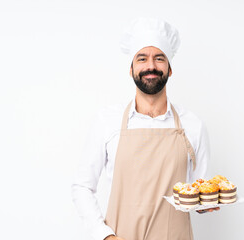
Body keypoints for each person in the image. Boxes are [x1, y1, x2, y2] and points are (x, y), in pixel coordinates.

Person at [71, 17, 218, 240]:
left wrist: (205, 203)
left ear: (170, 69)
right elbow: (82, 186)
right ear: (131, 69)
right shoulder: (107, 121)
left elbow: (199, 191)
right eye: (142, 58)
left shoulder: (193, 125)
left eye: (159, 58)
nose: (151, 66)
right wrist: (104, 235)